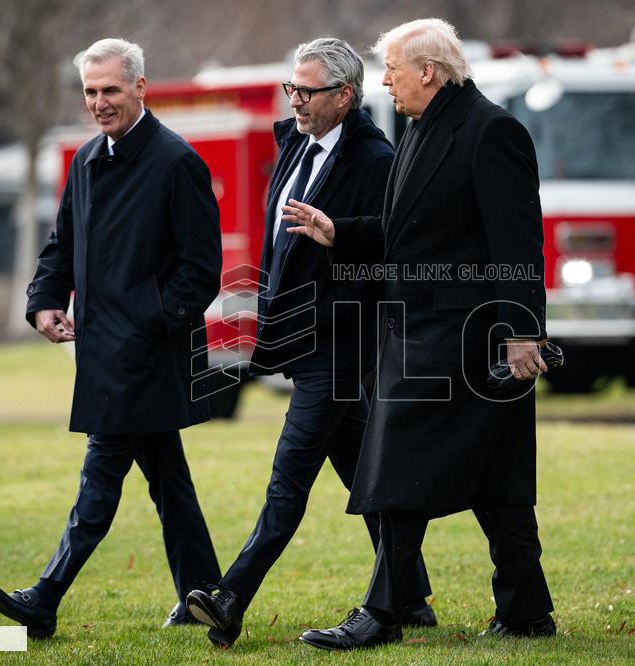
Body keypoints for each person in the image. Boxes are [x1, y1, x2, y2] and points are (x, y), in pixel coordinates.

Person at [283, 18, 556, 651]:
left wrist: (521, 334)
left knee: (399, 469)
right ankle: (527, 611)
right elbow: (405, 229)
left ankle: (383, 612)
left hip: (469, 340)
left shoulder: (492, 131)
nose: (385, 80)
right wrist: (340, 232)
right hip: (421, 331)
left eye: (393, 69)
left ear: (428, 72)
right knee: (500, 482)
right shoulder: (419, 128)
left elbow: (518, 245)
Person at [185, 37, 434, 649]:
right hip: (304, 340)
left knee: (288, 477)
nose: (293, 99)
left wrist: (338, 235)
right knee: (362, 476)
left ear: (345, 96)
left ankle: (231, 596)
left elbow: (392, 246)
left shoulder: (375, 160)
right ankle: (411, 597)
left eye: (307, 91)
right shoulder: (296, 143)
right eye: (290, 88)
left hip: (344, 346)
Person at [0, 38, 223, 638]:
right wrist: (41, 303)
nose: (99, 102)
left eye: (110, 89)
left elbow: (201, 270)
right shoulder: (85, 160)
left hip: (145, 357)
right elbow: (61, 247)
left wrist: (150, 321)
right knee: (169, 481)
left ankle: (45, 596)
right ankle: (206, 593)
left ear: (141, 87)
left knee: (99, 479)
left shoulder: (176, 162)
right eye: (90, 91)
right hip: (101, 354)